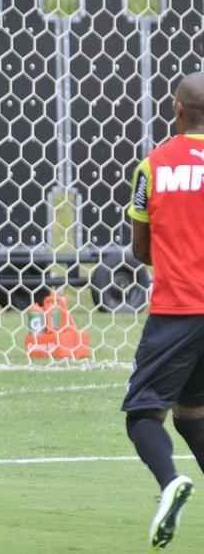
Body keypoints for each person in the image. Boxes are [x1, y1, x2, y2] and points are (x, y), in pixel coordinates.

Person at [124, 71, 204, 549]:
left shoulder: (153, 166)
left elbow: (140, 249)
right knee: (193, 411)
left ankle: (169, 481)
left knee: (142, 413)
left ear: (176, 109)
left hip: (176, 309)